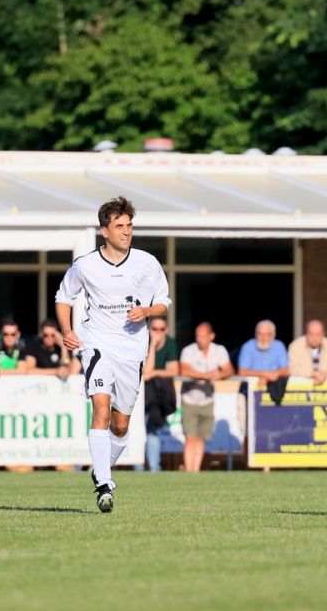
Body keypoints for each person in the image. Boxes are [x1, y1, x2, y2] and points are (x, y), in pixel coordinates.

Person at [56, 196, 171, 511]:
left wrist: (147, 310)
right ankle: (104, 485)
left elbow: (164, 303)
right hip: (97, 345)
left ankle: (101, 469)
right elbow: (63, 298)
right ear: (104, 231)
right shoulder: (85, 265)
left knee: (121, 426)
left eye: (129, 225)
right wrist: (67, 330)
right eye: (119, 226)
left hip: (132, 350)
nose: (126, 231)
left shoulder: (146, 263)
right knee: (101, 411)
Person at [179, 322, 234, 473]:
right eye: (197, 335)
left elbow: (229, 370)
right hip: (189, 398)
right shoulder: (188, 350)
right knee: (190, 437)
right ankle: (189, 471)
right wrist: (207, 375)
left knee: (201, 438)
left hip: (208, 399)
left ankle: (195, 471)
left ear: (211, 336)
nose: (199, 339)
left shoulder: (219, 350)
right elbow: (184, 371)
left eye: (203, 336)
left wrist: (219, 374)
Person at [141, 318, 179, 472]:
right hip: (138, 394)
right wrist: (151, 346)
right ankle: (138, 467)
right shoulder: (142, 342)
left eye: (161, 329)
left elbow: (174, 370)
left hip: (157, 395)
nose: (158, 332)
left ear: (167, 330)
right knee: (137, 431)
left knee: (153, 429)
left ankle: (154, 468)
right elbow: (146, 369)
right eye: (154, 329)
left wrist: (155, 373)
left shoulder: (170, 344)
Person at [288, 319, 327, 384]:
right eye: (311, 334)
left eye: (318, 334)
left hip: (326, 387)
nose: (314, 338)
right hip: (301, 386)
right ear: (306, 334)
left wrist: (325, 374)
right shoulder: (295, 346)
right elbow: (292, 368)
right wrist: (313, 373)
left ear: (323, 334)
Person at [238, 320, 289, 390]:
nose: (263, 338)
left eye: (267, 334)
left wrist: (271, 376)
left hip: (276, 388)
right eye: (260, 334)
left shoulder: (279, 346)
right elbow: (242, 372)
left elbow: (286, 370)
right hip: (252, 388)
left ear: (274, 335)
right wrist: (265, 374)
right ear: (255, 334)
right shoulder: (248, 347)